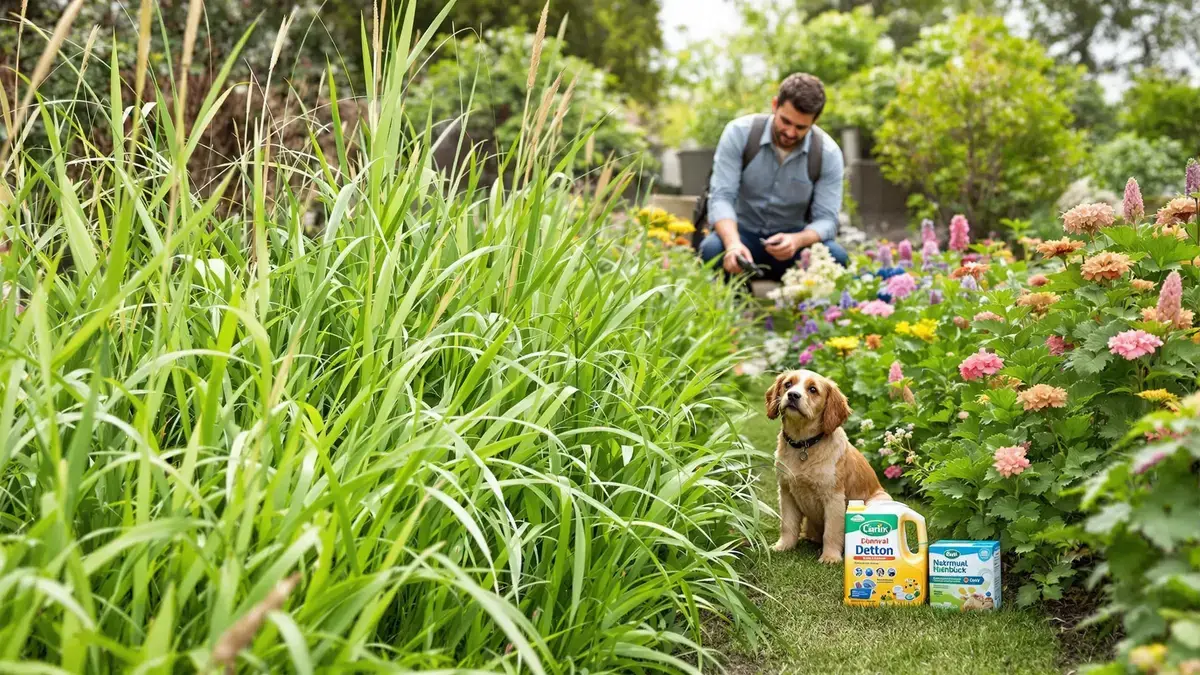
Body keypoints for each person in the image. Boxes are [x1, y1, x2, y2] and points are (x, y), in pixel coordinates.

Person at [698, 73, 849, 281]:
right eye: (785, 121)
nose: (790, 132)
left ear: (815, 121)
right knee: (711, 249)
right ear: (775, 104)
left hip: (792, 246)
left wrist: (797, 240)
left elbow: (827, 220)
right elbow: (722, 196)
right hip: (743, 236)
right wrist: (733, 244)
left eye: (800, 127)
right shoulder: (739, 134)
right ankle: (737, 294)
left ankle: (803, 308)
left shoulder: (828, 154)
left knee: (837, 257)